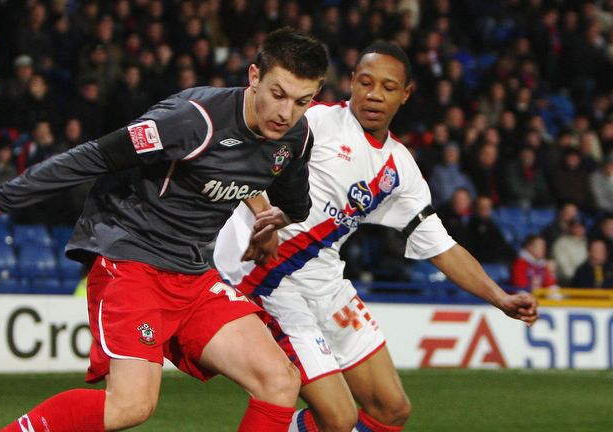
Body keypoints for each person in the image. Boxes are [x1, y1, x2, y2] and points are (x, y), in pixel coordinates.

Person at [0, 28, 329, 432]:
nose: (286, 112)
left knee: (280, 382)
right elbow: (94, 156)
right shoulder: (192, 121)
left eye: (302, 101)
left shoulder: (294, 138)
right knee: (131, 405)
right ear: (253, 76)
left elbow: (296, 202)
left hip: (193, 275)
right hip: (130, 259)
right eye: (278, 94)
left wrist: (272, 221)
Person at [214, 41, 538, 432]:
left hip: (327, 284)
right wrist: (264, 217)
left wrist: (500, 297)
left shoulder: (400, 168)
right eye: (365, 82)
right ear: (351, 83)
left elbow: (441, 246)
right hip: (270, 279)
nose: (374, 94)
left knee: (390, 408)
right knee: (338, 418)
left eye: (387, 87)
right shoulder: (314, 123)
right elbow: (243, 156)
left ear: (405, 95)